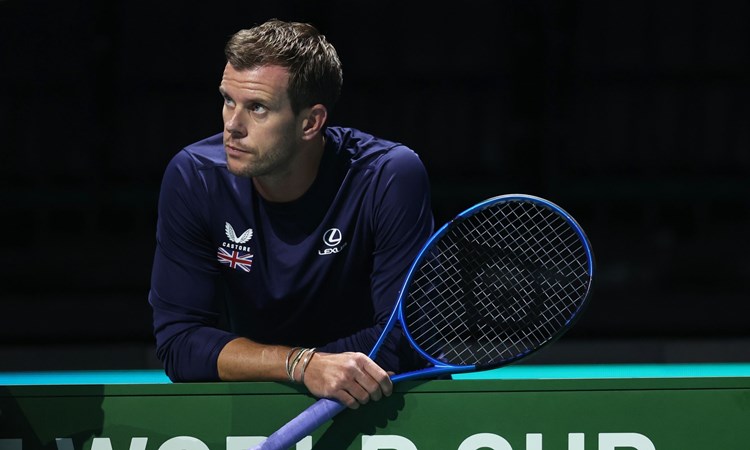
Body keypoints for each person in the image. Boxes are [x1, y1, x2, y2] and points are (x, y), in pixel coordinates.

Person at [148, 18, 435, 410]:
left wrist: (309, 368)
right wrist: (302, 366)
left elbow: (403, 338)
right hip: (265, 400)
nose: (233, 126)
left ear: (310, 122)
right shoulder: (194, 177)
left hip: (386, 405)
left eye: (258, 108)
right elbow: (180, 344)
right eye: (228, 100)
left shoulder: (387, 175)